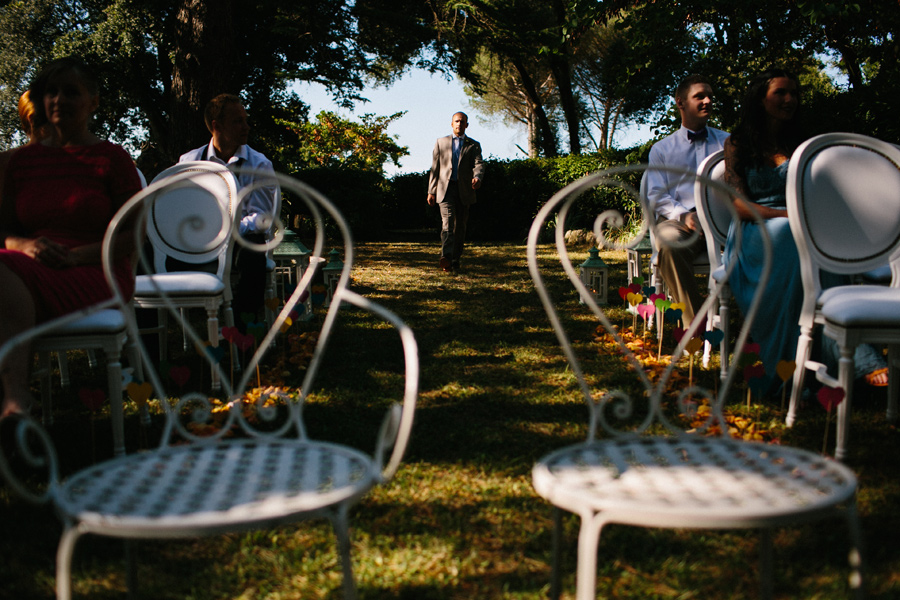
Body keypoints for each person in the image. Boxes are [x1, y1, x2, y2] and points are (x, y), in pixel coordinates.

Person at [722, 67, 886, 394]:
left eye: (794, 93)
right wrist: (787, 214)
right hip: (756, 231)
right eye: (780, 92)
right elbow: (738, 207)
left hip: (802, 226)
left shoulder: (804, 143)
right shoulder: (737, 143)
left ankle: (826, 354)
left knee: (818, 245)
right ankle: (847, 358)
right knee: (794, 239)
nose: (789, 99)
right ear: (760, 98)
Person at [0, 56, 143, 418]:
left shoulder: (111, 158)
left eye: (70, 92)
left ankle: (15, 399)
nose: (58, 100)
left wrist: (77, 256)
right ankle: (14, 403)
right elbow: (4, 232)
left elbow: (133, 235)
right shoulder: (21, 162)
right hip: (27, 265)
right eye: (51, 91)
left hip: (99, 271)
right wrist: (24, 245)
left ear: (93, 102)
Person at [179, 93, 277, 328]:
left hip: (239, 242)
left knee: (254, 251)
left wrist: (229, 228)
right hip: (197, 242)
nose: (246, 127)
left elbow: (263, 219)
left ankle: (244, 334)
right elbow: (180, 209)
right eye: (238, 121)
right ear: (217, 126)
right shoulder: (189, 162)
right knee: (148, 254)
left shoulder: (259, 164)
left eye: (245, 120)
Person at [646, 74, 730, 325]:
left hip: (724, 221)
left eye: (710, 97)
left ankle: (760, 325)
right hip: (681, 222)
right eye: (700, 96)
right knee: (669, 244)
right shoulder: (662, 149)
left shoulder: (728, 142)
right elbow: (656, 195)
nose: (707, 101)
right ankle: (696, 325)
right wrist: (685, 215)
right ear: (680, 102)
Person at [427, 111, 484, 272]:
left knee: (460, 227)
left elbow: (479, 164)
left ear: (467, 125)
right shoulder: (441, 142)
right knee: (447, 223)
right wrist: (431, 191)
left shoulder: (473, 145)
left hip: (464, 190)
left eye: (462, 121)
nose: (459, 124)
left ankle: (455, 258)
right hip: (445, 190)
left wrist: (477, 177)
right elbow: (435, 168)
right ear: (452, 124)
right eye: (456, 121)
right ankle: (445, 257)